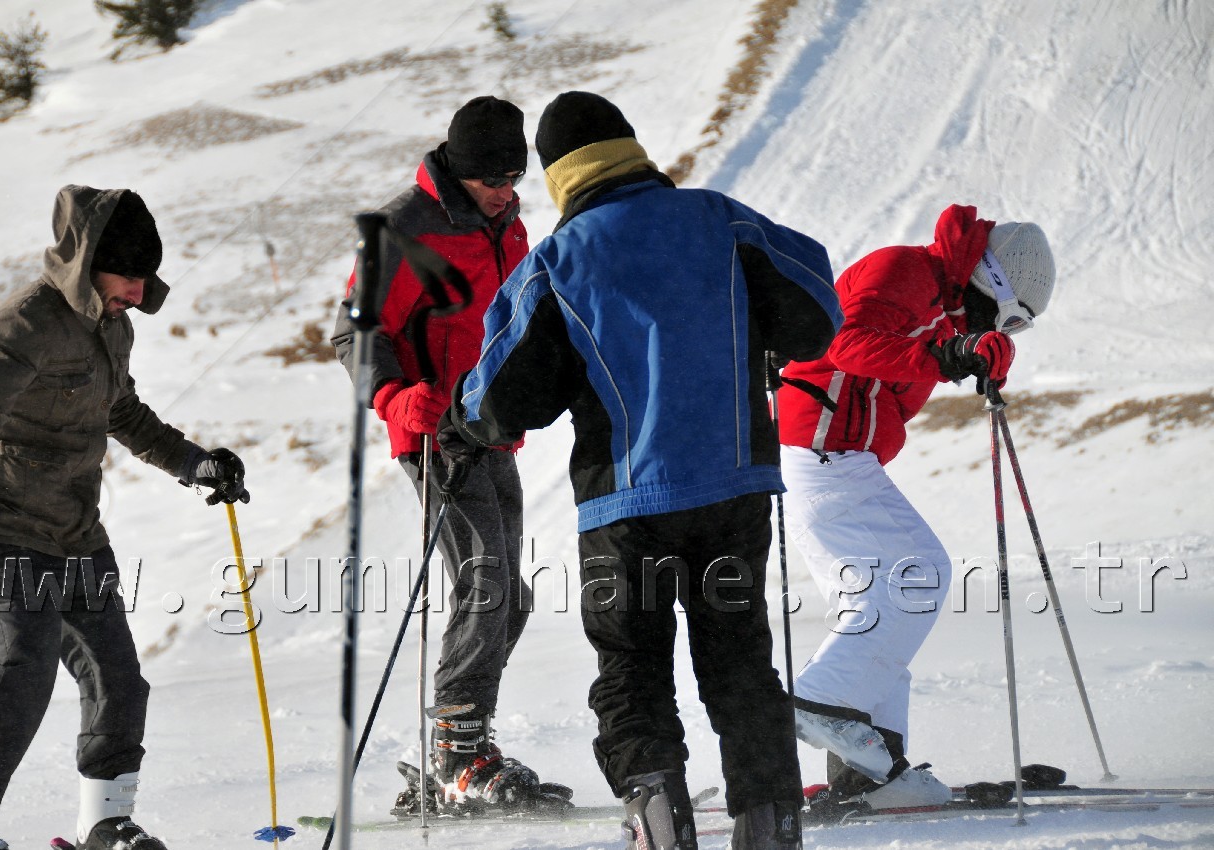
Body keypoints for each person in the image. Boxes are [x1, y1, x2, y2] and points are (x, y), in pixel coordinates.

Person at [436, 91, 843, 850]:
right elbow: (819, 306)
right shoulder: (722, 220)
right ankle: (770, 827)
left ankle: (660, 826)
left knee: (632, 671)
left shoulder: (558, 260)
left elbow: (501, 398)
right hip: (735, 490)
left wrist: (459, 424)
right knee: (740, 664)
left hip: (626, 510)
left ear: (558, 177)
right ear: (631, 149)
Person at [0, 185, 250, 850]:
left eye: (144, 279)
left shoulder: (114, 326)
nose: (138, 292)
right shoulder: (26, 321)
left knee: (117, 676)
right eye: (128, 276)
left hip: (77, 531)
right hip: (3, 525)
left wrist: (194, 463)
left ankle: (105, 821)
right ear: (87, 263)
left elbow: (123, 413)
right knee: (26, 663)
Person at [774, 205, 1056, 813]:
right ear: (990, 282)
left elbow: (911, 355)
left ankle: (872, 767)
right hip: (823, 449)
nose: (1002, 331)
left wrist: (967, 353)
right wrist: (946, 356)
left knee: (880, 604)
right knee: (916, 575)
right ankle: (822, 703)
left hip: (835, 455)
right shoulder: (903, 272)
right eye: (1006, 321)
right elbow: (845, 342)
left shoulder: (937, 296)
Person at [329, 95, 566, 813]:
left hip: (489, 428)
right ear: (460, 171)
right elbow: (352, 333)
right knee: (485, 582)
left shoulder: (509, 226)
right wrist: (395, 394)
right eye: (493, 177)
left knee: (508, 596)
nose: (507, 189)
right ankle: (459, 757)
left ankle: (459, 747)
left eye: (514, 176)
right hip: (431, 428)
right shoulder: (405, 228)